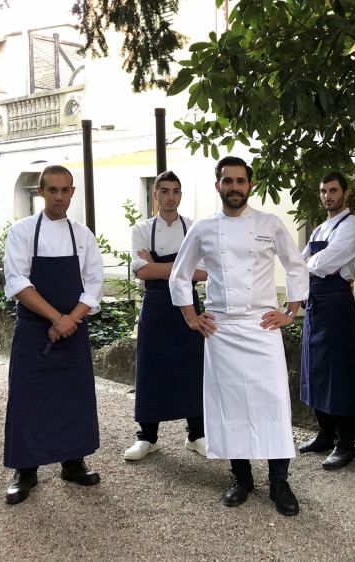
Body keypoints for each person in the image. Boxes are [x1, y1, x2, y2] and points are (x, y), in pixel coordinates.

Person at [169, 156, 309, 517]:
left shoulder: (269, 223)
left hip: (263, 327)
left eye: (240, 181)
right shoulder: (202, 228)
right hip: (222, 329)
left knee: (274, 402)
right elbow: (179, 275)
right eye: (227, 181)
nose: (234, 187)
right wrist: (190, 317)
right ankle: (241, 478)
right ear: (218, 185)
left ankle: (280, 481)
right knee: (229, 407)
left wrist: (290, 312)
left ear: (250, 185)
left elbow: (296, 265)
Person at [2, 164, 104, 505]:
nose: (59, 196)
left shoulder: (83, 235)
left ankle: (73, 464)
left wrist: (70, 319)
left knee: (73, 398)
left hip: (72, 331)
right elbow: (18, 282)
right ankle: (25, 471)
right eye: (53, 190)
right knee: (27, 399)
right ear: (40, 192)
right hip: (34, 331)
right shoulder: (22, 232)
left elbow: (94, 284)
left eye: (65, 190)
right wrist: (55, 318)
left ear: (72, 192)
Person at [124, 171, 208, 461]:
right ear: (155, 195)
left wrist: (159, 266)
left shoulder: (194, 227)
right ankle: (147, 437)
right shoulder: (142, 229)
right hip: (157, 305)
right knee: (151, 367)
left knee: (193, 366)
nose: (171, 197)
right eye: (165, 191)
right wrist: (183, 266)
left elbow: (205, 271)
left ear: (180, 195)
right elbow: (141, 271)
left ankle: (196, 434)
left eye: (176, 191)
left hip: (188, 305)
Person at [299, 171, 355, 470]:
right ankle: (325, 434)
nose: (328, 196)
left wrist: (306, 268)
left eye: (334, 190)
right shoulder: (319, 229)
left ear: (345, 193)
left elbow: (327, 261)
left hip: (337, 304)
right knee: (315, 370)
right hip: (315, 304)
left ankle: (346, 443)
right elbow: (300, 263)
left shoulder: (351, 227)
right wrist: (307, 269)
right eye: (324, 191)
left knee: (340, 372)